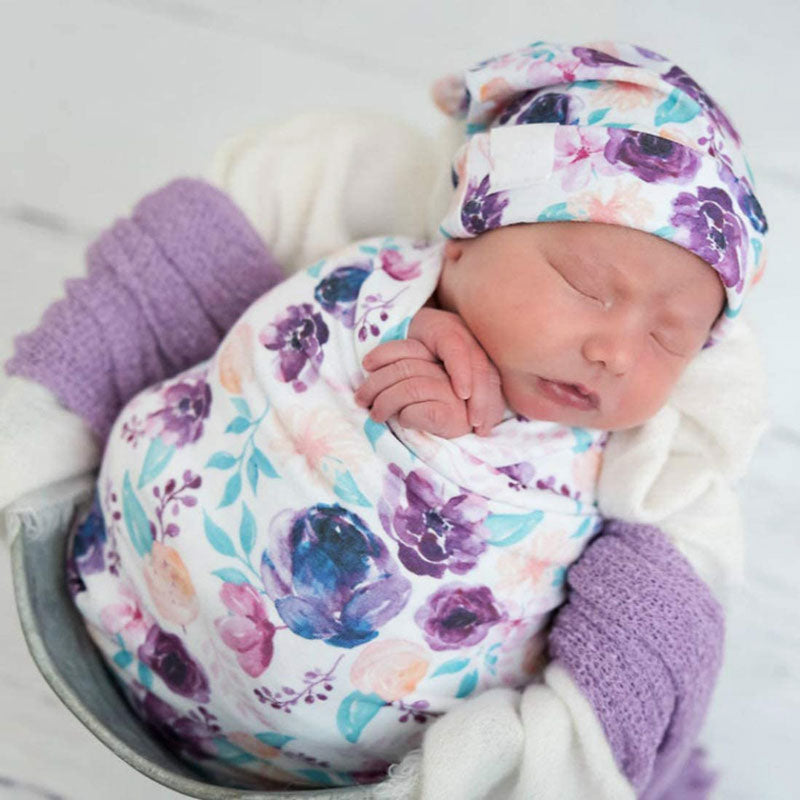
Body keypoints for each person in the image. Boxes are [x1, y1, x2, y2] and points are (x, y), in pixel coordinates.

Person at [2, 41, 768, 798]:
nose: (617, 353)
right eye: (588, 287)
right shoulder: (366, 271)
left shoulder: (637, 468)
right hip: (116, 593)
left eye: (669, 338)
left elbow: (640, 638)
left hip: (360, 775)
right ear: (464, 244)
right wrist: (392, 342)